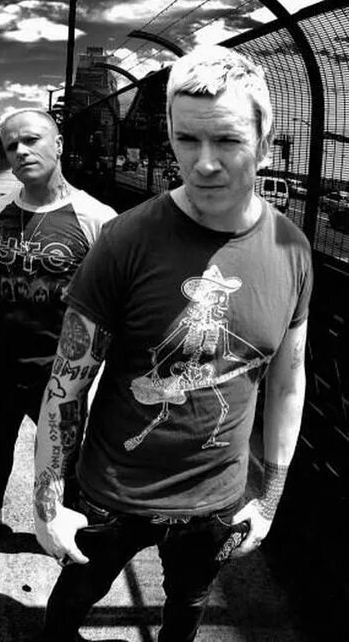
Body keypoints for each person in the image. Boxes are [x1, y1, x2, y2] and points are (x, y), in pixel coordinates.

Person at [33, 45, 313, 641]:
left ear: (265, 142)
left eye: (228, 141)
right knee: (73, 599)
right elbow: (67, 381)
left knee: (187, 606)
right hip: (112, 489)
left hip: (216, 499)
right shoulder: (125, 240)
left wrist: (270, 496)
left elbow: (288, 381)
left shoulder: (292, 251)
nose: (204, 164)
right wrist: (48, 503)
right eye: (187, 140)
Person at [0, 109, 116, 535]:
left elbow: (112, 299)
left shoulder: (96, 217)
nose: (20, 151)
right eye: (11, 146)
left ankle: (67, 521)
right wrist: (8, 321)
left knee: (64, 451)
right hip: (2, 355)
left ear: (59, 144)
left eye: (31, 140)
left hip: (60, 368)